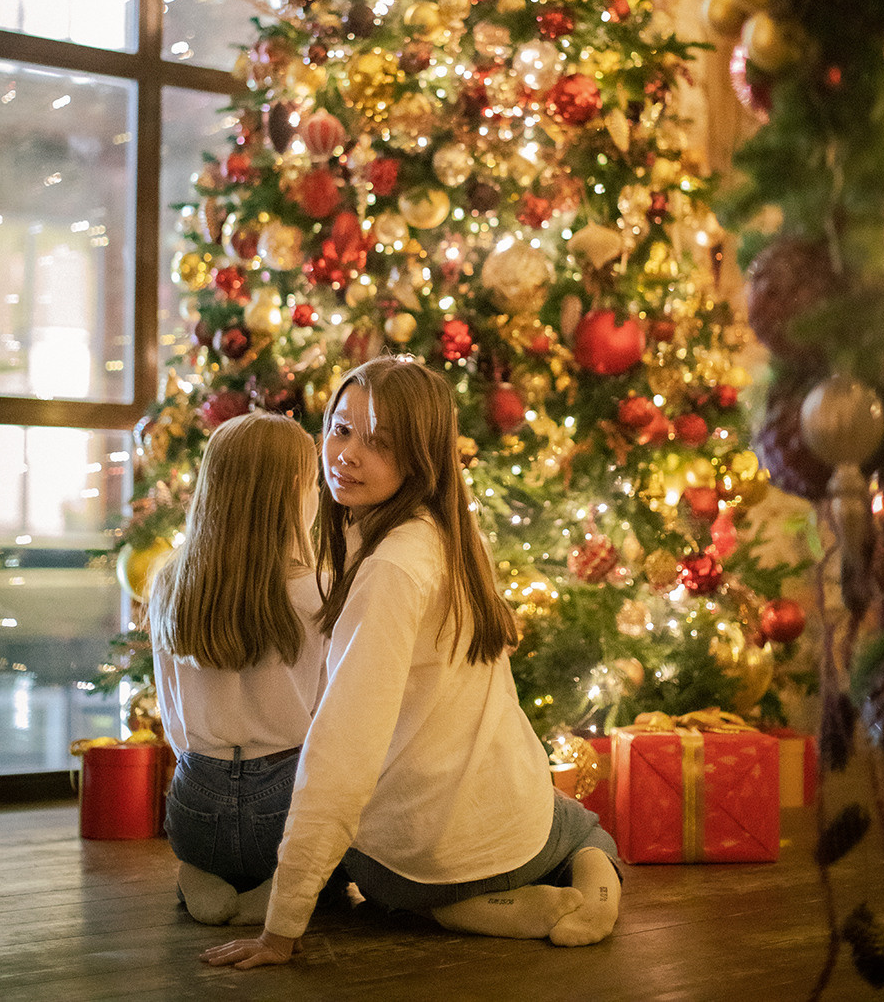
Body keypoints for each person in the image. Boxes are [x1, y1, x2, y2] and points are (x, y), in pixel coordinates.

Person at [202, 355, 621, 970]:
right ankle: (589, 885)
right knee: (577, 826)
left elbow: (341, 749)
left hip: (414, 858)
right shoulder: (448, 536)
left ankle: (470, 905)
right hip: (495, 825)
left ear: (419, 458)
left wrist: (281, 929)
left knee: (386, 876)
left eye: (378, 443)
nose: (345, 455)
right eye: (341, 430)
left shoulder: (391, 568)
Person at [148, 410, 326, 926]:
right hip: (284, 802)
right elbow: (330, 719)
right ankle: (281, 887)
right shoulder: (319, 590)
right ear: (296, 489)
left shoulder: (168, 584)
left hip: (195, 800)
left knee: (204, 831)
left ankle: (199, 872)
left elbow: (172, 717)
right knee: (347, 833)